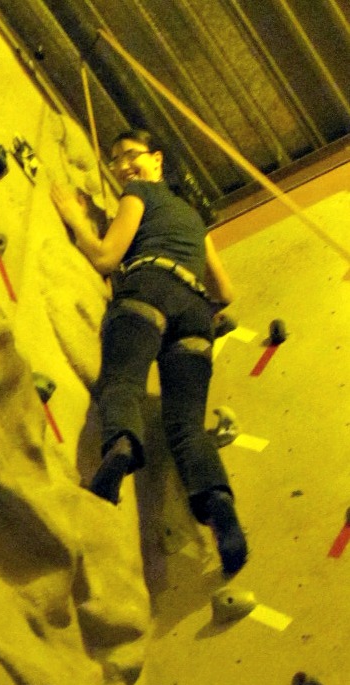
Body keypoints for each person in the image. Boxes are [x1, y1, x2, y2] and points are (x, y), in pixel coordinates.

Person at [51, 129, 247, 576]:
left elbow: (105, 256)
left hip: (148, 289)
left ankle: (120, 445)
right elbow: (227, 291)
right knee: (187, 429)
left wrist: (73, 219)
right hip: (196, 313)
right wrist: (194, 302)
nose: (122, 168)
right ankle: (220, 509)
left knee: (123, 381)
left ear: (157, 160)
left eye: (130, 157)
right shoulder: (195, 218)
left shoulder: (137, 194)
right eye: (115, 161)